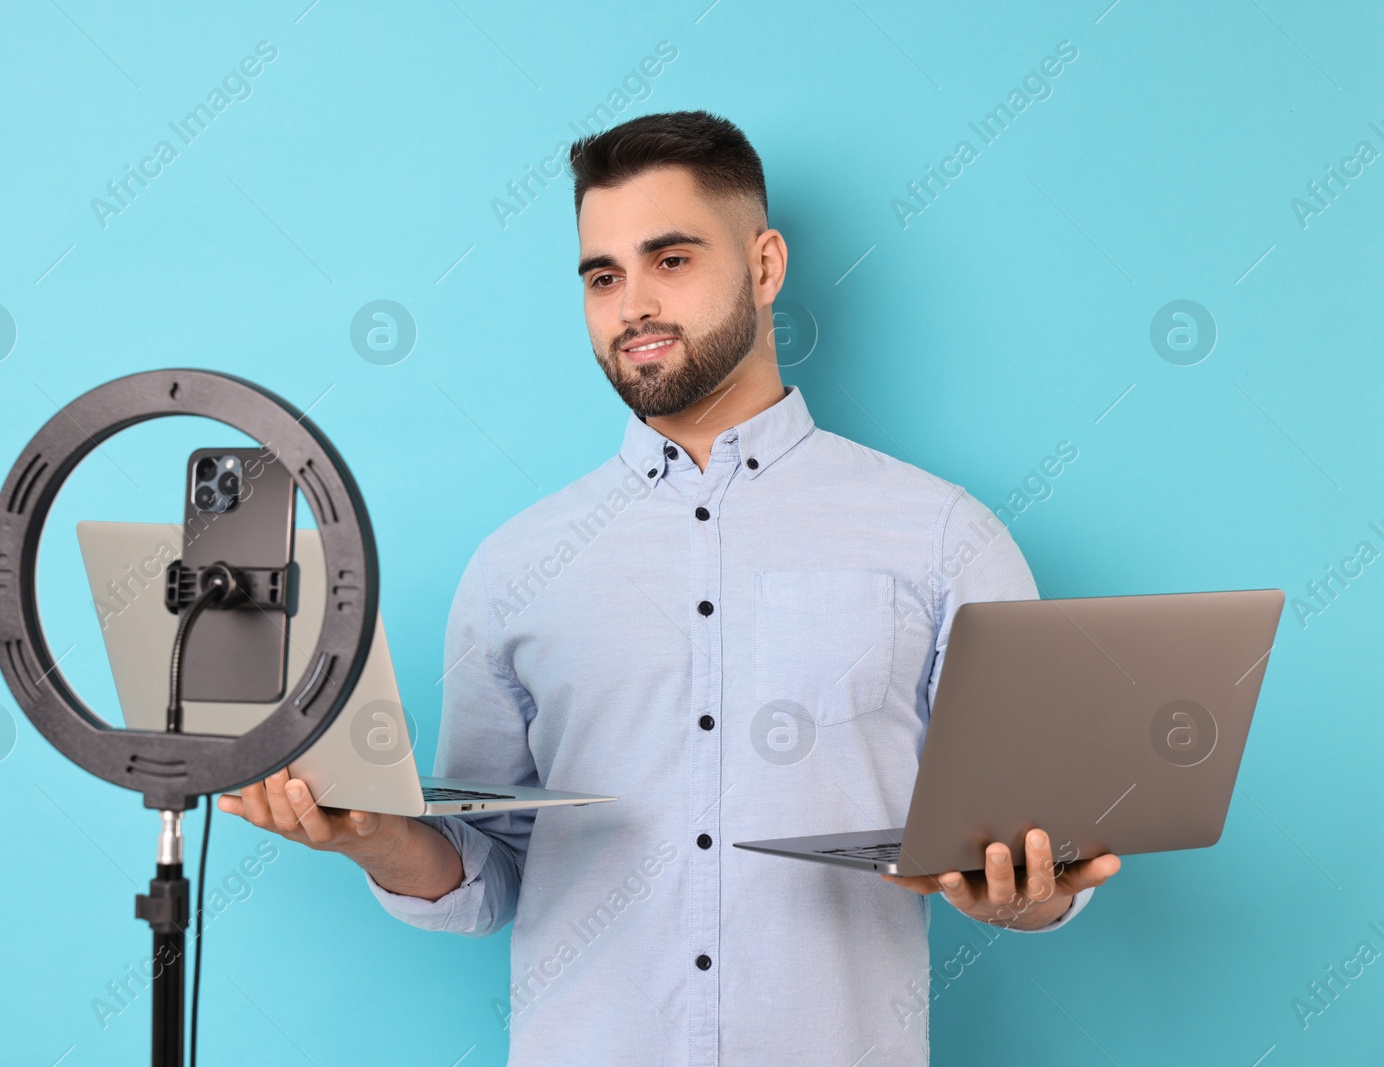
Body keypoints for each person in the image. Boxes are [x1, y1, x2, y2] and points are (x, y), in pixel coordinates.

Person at [219, 109, 1121, 1065]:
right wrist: (370, 835)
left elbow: (1041, 849)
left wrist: (1037, 890)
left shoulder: (943, 535)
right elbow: (487, 871)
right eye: (602, 275)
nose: (633, 304)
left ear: (766, 265)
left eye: (672, 259)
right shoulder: (516, 566)